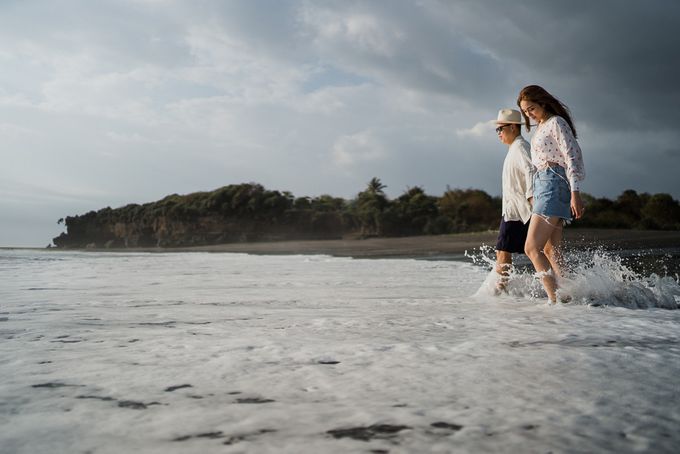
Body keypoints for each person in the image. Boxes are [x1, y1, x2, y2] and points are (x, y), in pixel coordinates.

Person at [517, 85, 585, 303]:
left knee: (531, 247)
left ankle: (554, 299)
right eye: (526, 112)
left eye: (531, 109)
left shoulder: (556, 122)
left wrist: (575, 192)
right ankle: (570, 296)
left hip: (554, 182)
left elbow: (572, 156)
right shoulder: (542, 126)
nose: (529, 114)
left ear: (543, 103)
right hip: (544, 183)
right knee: (550, 249)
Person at [492, 109, 535, 293]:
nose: (499, 133)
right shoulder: (514, 149)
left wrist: (533, 199)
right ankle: (556, 287)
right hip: (515, 211)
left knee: (503, 251)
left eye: (500, 129)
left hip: (520, 212)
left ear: (512, 127)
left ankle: (500, 292)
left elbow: (531, 170)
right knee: (536, 252)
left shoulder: (521, 147)